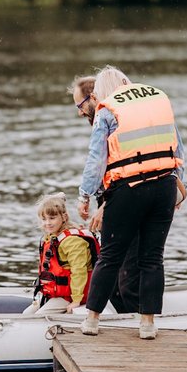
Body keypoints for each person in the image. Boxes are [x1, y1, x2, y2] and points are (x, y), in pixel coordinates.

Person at [76, 66, 186, 340]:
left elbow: (96, 159)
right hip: (164, 186)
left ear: (102, 90)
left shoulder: (107, 110)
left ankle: (91, 320)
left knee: (110, 255)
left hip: (128, 189)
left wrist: (85, 194)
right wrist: (178, 185)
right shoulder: (157, 100)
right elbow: (177, 147)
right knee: (152, 258)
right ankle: (147, 324)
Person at [69, 74, 140, 314]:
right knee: (115, 276)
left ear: (94, 96)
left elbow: (125, 170)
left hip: (126, 197)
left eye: (80, 105)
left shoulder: (111, 117)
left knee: (126, 274)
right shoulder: (105, 118)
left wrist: (98, 203)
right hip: (115, 197)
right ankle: (127, 315)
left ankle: (137, 319)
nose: (79, 112)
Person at [32, 192, 98, 314]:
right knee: (26, 315)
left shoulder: (72, 241)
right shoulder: (53, 237)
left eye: (52, 218)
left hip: (71, 296)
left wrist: (76, 300)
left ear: (64, 217)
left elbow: (79, 270)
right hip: (54, 294)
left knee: (38, 317)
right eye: (44, 219)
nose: (47, 223)